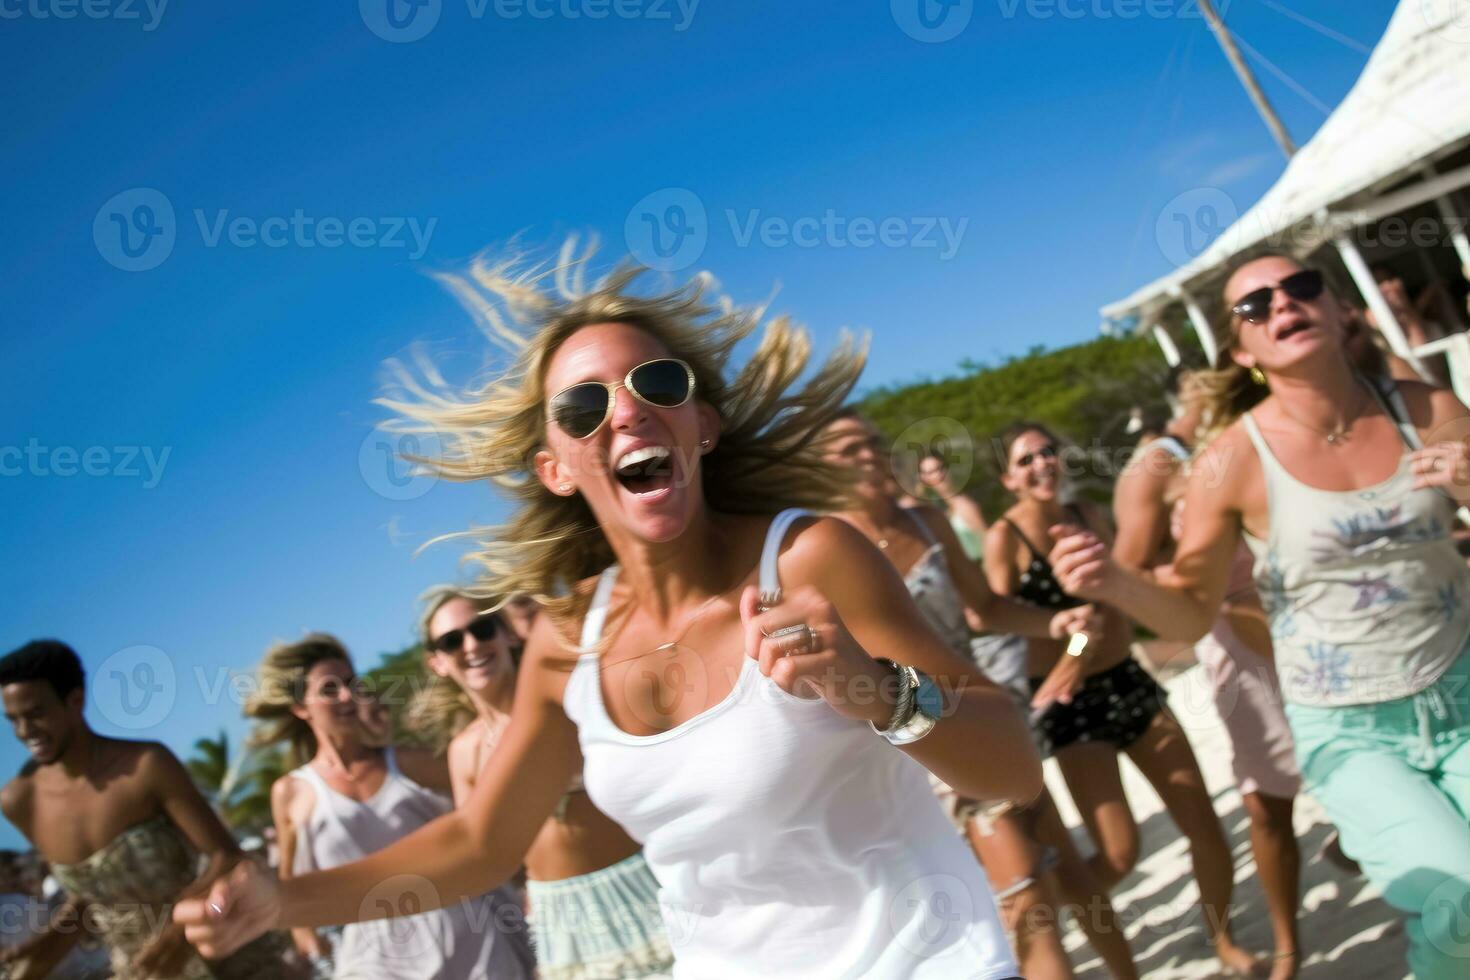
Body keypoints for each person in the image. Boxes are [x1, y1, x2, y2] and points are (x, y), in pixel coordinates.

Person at [177, 248, 1040, 979]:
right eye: (583, 407)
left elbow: (1011, 769)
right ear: (556, 467)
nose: (625, 410)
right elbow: (479, 843)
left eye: (655, 382)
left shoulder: (809, 558)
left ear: (700, 423)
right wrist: (280, 899)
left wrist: (880, 692)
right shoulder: (562, 646)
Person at [1047, 253, 1470, 980]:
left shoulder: (1424, 409)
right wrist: (1117, 581)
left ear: (1340, 311)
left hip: (1460, 687)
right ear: (1242, 350)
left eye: (1302, 287)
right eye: (1256, 305)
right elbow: (1186, 614)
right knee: (1459, 907)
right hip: (1350, 730)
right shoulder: (1229, 462)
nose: (1283, 304)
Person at [822, 411, 1139, 980]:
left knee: (1069, 868)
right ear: (820, 469)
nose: (868, 454)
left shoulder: (925, 522)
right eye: (848, 449)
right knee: (1026, 893)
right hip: (919, 739)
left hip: (986, 712)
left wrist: (1054, 622)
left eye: (872, 441)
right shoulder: (825, 551)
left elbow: (986, 609)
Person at [985, 424, 1261, 976]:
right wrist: (1060, 630)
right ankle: (1045, 908)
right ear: (1008, 477)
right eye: (1026, 460)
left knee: (1205, 825)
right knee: (1118, 853)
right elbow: (992, 618)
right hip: (1072, 709)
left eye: (1047, 452)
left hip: (1128, 683)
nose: (1042, 464)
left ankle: (1224, 941)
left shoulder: (1088, 516)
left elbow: (1119, 591)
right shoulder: (1006, 537)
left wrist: (1088, 639)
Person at [1111, 371, 1303, 980]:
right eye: (1201, 382)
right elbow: (1127, 571)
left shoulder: (1255, 435)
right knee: (1269, 802)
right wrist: (1201, 589)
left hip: (1310, 624)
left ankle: (1353, 846)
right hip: (1239, 645)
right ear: (1182, 395)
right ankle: (1282, 949)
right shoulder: (1157, 465)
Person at [410, 587, 672, 977]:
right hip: (561, 920)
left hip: (644, 886)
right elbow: (486, 855)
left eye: (482, 629)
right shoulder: (464, 752)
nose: (471, 645)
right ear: (438, 663)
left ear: (508, 634)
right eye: (452, 641)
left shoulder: (571, 699)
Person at [247, 633, 534, 979]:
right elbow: (290, 885)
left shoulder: (410, 764)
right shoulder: (291, 792)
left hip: (470, 940)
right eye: (329, 688)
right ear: (300, 707)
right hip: (375, 961)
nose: (346, 695)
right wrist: (312, 948)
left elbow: (490, 812)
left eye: (352, 683)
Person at [0, 639, 293, 979]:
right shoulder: (20, 801)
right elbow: (90, 900)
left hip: (226, 953)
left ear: (75, 700)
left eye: (36, 714)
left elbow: (228, 858)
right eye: (13, 719)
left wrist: (179, 933)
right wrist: (42, 945)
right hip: (143, 971)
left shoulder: (145, 766)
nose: (24, 731)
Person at [917, 451, 988, 561]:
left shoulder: (964, 504)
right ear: (924, 479)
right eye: (931, 472)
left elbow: (987, 542)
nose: (940, 474)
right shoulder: (939, 510)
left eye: (940, 467)